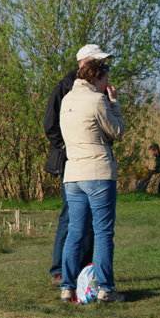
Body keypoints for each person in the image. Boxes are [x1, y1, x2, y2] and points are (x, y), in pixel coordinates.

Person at [59, 58, 126, 303]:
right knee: (103, 232)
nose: (107, 84)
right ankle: (106, 289)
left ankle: (67, 287)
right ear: (96, 78)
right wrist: (115, 104)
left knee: (75, 232)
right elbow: (116, 131)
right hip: (97, 171)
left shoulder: (67, 100)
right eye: (105, 79)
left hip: (73, 173)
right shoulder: (97, 100)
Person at [43, 45, 105, 286]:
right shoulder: (65, 87)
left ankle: (85, 268)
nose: (103, 66)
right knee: (70, 216)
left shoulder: (95, 88)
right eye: (99, 62)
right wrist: (69, 148)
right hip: (71, 160)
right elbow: (50, 125)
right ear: (85, 62)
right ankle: (59, 270)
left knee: (89, 218)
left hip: (91, 160)